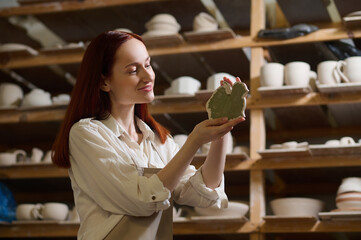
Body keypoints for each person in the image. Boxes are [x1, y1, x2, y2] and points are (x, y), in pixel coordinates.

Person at [52, 30, 244, 240]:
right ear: (104, 82)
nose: (148, 75)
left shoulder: (156, 140)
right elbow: (141, 200)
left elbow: (203, 194)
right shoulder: (86, 134)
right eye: (133, 70)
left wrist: (222, 127)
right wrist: (194, 141)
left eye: (148, 64)